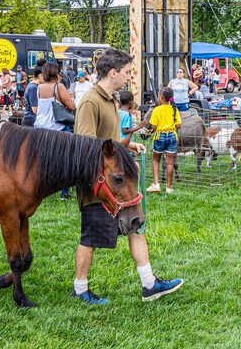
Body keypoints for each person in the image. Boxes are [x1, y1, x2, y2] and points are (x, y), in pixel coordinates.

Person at [74, 47, 183, 305]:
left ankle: (149, 284)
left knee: (136, 225)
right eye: (125, 72)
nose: (128, 77)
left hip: (117, 184)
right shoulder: (91, 101)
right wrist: (115, 152)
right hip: (98, 187)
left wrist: (126, 146)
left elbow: (108, 142)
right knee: (90, 237)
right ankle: (80, 288)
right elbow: (85, 145)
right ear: (113, 72)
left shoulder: (110, 98)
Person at [35, 62, 76, 200]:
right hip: (57, 127)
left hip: (40, 128)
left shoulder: (39, 87)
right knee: (66, 160)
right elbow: (71, 105)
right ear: (56, 73)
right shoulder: (59, 87)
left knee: (44, 161)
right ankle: (64, 192)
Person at [145, 87, 182, 194]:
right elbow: (178, 125)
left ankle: (156, 184)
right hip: (172, 136)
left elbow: (154, 125)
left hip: (160, 136)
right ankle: (169, 187)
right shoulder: (174, 110)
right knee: (170, 163)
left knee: (155, 159)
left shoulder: (157, 110)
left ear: (161, 98)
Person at [21, 59, 47, 127]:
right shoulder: (34, 88)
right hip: (31, 120)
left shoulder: (31, 85)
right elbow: (35, 110)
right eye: (47, 76)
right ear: (41, 76)